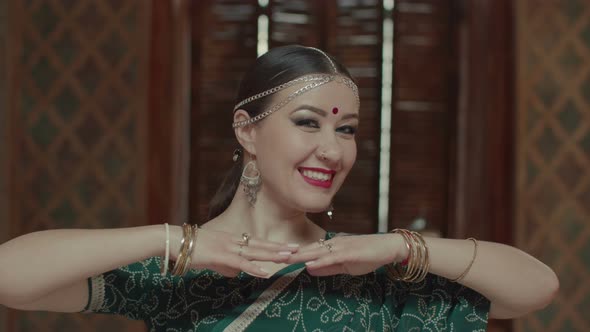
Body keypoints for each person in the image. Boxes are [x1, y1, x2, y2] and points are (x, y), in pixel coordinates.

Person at [0, 45, 558, 331]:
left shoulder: (369, 276)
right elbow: (11, 277)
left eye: (346, 130)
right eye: (308, 122)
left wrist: (397, 247)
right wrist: (178, 242)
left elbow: (534, 289)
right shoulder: (177, 276)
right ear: (247, 129)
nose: (333, 150)